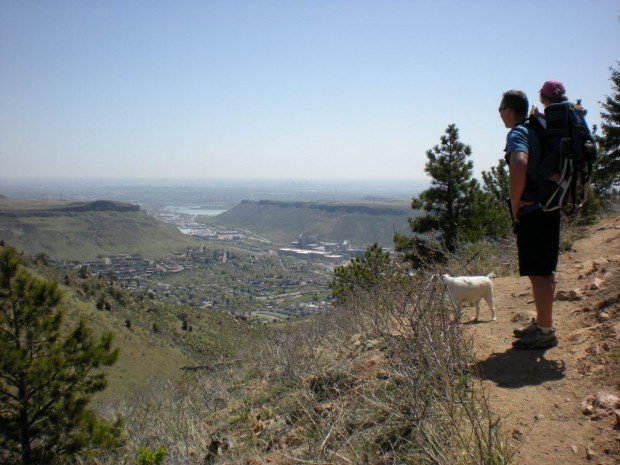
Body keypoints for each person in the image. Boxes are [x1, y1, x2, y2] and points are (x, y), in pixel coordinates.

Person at [499, 88, 561, 349]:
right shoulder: (539, 129)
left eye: (500, 109)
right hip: (550, 206)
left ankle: (545, 331)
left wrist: (515, 201)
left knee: (538, 273)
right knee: (545, 271)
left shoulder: (519, 132)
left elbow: (519, 163)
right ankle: (543, 323)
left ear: (509, 110)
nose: (500, 114)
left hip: (533, 210)